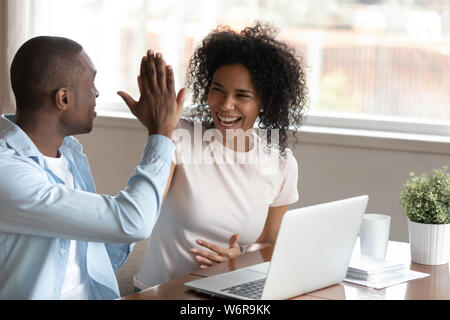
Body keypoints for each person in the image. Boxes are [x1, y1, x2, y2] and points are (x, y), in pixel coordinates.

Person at [0, 36, 185, 299]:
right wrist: (160, 133)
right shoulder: (7, 173)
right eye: (91, 85)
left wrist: (148, 193)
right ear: (63, 98)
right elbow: (132, 223)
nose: (96, 94)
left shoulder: (71, 156)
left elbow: (103, 255)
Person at [134, 23, 308, 290]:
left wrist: (240, 259)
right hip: (161, 293)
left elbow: (270, 242)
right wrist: (159, 129)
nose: (226, 105)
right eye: (218, 90)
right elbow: (143, 209)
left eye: (242, 95)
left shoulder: (281, 162)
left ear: (264, 102)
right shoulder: (180, 138)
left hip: (228, 292)